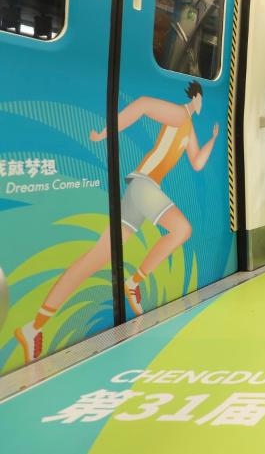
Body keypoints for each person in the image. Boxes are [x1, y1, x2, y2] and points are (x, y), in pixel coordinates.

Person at [14, 81, 218, 363]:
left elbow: (196, 162)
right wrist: (105, 133)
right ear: (196, 97)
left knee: (95, 258)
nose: (202, 104)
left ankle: (33, 327)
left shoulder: (188, 128)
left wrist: (213, 140)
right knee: (182, 229)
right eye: (201, 99)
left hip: (140, 191)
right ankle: (134, 281)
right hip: (145, 185)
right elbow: (144, 103)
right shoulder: (179, 114)